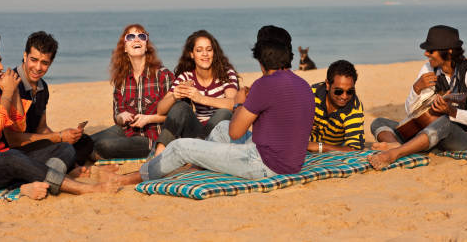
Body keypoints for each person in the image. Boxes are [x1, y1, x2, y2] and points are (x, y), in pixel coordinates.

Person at [115, 29, 315, 185]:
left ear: (262, 62)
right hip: (291, 162)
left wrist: (239, 102)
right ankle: (201, 164)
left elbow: (237, 133)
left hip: (265, 164)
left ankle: (129, 178)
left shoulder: (264, 84)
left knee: (179, 147)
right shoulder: (303, 84)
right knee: (220, 129)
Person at [0, 35, 121, 199]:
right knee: (13, 158)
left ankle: (42, 182)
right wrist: (8, 91)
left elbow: (18, 125)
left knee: (65, 149)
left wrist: (14, 93)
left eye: (0, 61)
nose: (1, 67)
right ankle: (82, 188)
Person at [369, 25, 467, 170]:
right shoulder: (429, 69)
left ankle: (395, 153)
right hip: (428, 131)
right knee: (378, 122)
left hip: (464, 138)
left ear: (449, 51)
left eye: (431, 50)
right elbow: (412, 113)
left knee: (444, 122)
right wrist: (416, 88)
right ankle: (402, 145)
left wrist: (450, 112)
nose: (426, 54)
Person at [3, 31, 94, 166]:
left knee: (84, 142)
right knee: (66, 149)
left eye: (44, 63)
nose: (38, 68)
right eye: (34, 60)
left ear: (50, 63)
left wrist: (66, 136)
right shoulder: (11, 83)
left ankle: (66, 164)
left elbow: (41, 128)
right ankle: (66, 166)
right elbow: (12, 139)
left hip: (34, 144)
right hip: (13, 150)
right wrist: (59, 137)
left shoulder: (43, 87)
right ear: (25, 55)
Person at [90, 24, 175, 159]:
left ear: (146, 46)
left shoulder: (163, 75)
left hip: (151, 138)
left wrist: (148, 119)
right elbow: (117, 117)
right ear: (124, 47)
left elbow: (177, 116)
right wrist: (121, 116)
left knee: (105, 146)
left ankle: (94, 155)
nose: (136, 40)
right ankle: (89, 155)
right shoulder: (121, 79)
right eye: (130, 37)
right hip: (126, 131)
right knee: (85, 141)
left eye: (141, 36)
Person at [153, 30, 239, 156]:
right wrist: (174, 96)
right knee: (180, 107)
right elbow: (160, 110)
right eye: (199, 50)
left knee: (224, 113)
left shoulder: (226, 73)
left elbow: (234, 104)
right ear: (192, 54)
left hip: (218, 135)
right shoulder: (186, 76)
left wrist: (201, 98)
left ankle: (199, 149)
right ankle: (158, 156)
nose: (205, 54)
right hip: (195, 132)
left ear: (214, 53)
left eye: (209, 50)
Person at [308, 60, 365, 152]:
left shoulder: (354, 108)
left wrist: (321, 147)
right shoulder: (311, 95)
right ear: (327, 84)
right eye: (338, 91)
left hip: (335, 147)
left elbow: (355, 149)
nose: (344, 96)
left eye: (350, 91)